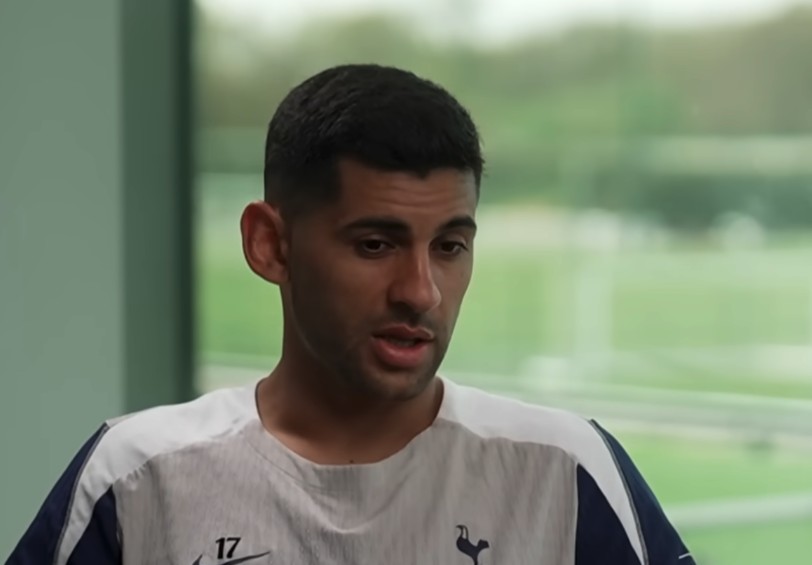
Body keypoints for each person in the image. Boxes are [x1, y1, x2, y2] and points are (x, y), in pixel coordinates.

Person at [8, 64, 694, 565]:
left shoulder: (564, 472)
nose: (421, 292)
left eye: (450, 246)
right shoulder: (138, 476)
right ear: (270, 244)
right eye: (375, 244)